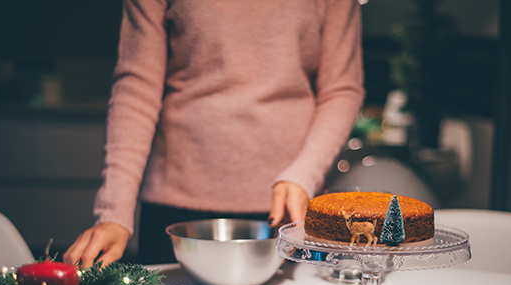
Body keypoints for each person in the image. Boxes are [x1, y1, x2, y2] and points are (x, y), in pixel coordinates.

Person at [63, 0, 365, 267]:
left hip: (289, 209)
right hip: (175, 209)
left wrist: (304, 174)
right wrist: (114, 212)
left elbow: (342, 89)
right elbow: (137, 88)